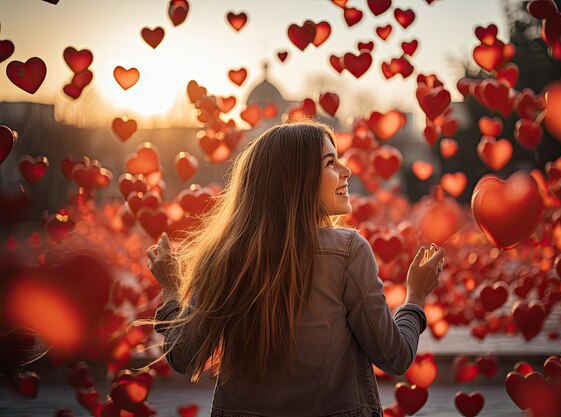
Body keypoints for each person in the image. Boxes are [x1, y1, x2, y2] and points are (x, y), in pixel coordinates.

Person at [144, 120, 445, 417]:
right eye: (330, 162)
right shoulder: (348, 252)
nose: (346, 170)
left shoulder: (225, 255)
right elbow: (394, 356)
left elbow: (182, 356)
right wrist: (415, 297)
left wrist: (171, 290)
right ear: (297, 179)